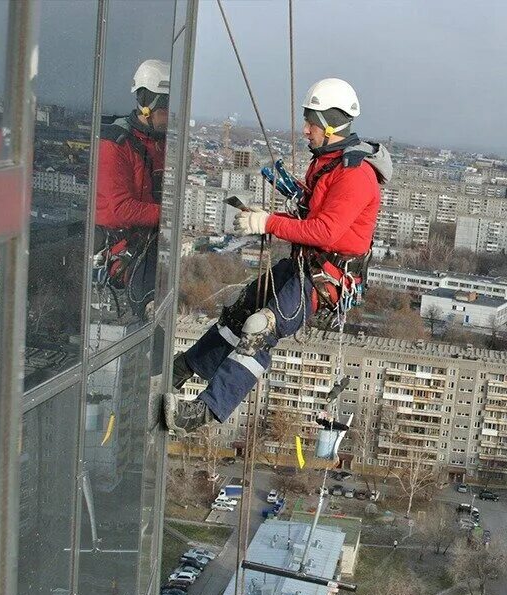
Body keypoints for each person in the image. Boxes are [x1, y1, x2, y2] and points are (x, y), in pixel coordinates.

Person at [164, 78, 392, 433]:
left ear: (332, 123)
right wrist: (268, 218)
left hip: (324, 278)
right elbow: (310, 221)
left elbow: (325, 232)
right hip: (307, 263)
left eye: (311, 122)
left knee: (259, 330)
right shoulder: (327, 163)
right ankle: (184, 369)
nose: (305, 129)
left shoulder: (354, 174)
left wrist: (267, 223)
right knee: (242, 312)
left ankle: (205, 412)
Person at [94, 59, 170, 319]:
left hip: (150, 243)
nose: (171, 116)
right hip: (122, 248)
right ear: (147, 105)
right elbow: (117, 210)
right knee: (150, 307)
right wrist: (170, 214)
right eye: (166, 108)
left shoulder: (162, 144)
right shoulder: (115, 145)